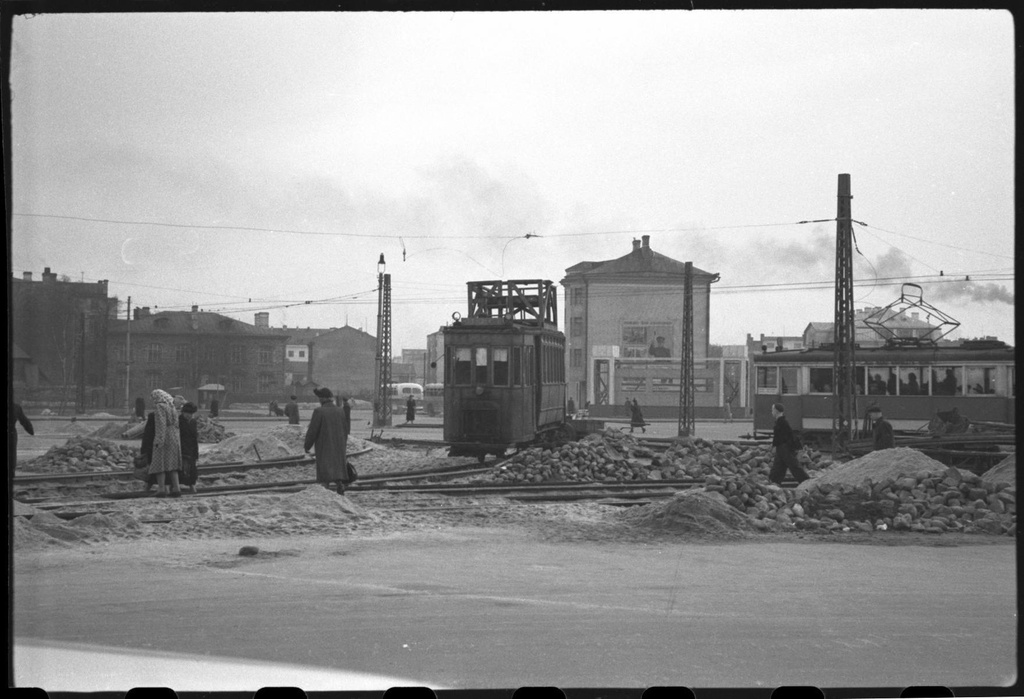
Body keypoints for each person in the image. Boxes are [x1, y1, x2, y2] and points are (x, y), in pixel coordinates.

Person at [304, 387, 351, 494]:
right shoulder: (340, 410)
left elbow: (312, 431)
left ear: (322, 399)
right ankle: (340, 485)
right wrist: (343, 443)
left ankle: (326, 491)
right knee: (338, 467)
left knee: (325, 470)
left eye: (319, 398)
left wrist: (307, 445)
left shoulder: (319, 411)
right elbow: (345, 430)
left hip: (324, 446)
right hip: (339, 446)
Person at [147, 389, 183, 498]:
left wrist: (159, 440)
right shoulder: (171, 406)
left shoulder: (160, 407)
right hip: (174, 436)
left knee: (159, 462)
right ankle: (176, 487)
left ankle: (161, 488)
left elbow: (161, 424)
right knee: (172, 463)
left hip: (165, 436)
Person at [769, 403, 810, 485]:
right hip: (782, 447)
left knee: (792, 465)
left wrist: (775, 445)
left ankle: (806, 481)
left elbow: (782, 436)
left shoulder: (782, 422)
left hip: (785, 448)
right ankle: (774, 481)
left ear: (776, 411)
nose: (771, 412)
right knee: (779, 465)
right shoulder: (781, 421)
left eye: (772, 410)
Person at [179, 402, 200, 493]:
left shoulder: (193, 422)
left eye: (191, 414)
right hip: (180, 448)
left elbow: (195, 438)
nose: (189, 416)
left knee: (192, 469)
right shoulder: (178, 421)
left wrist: (196, 452)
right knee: (180, 469)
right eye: (187, 413)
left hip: (191, 448)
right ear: (183, 412)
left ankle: (192, 485)